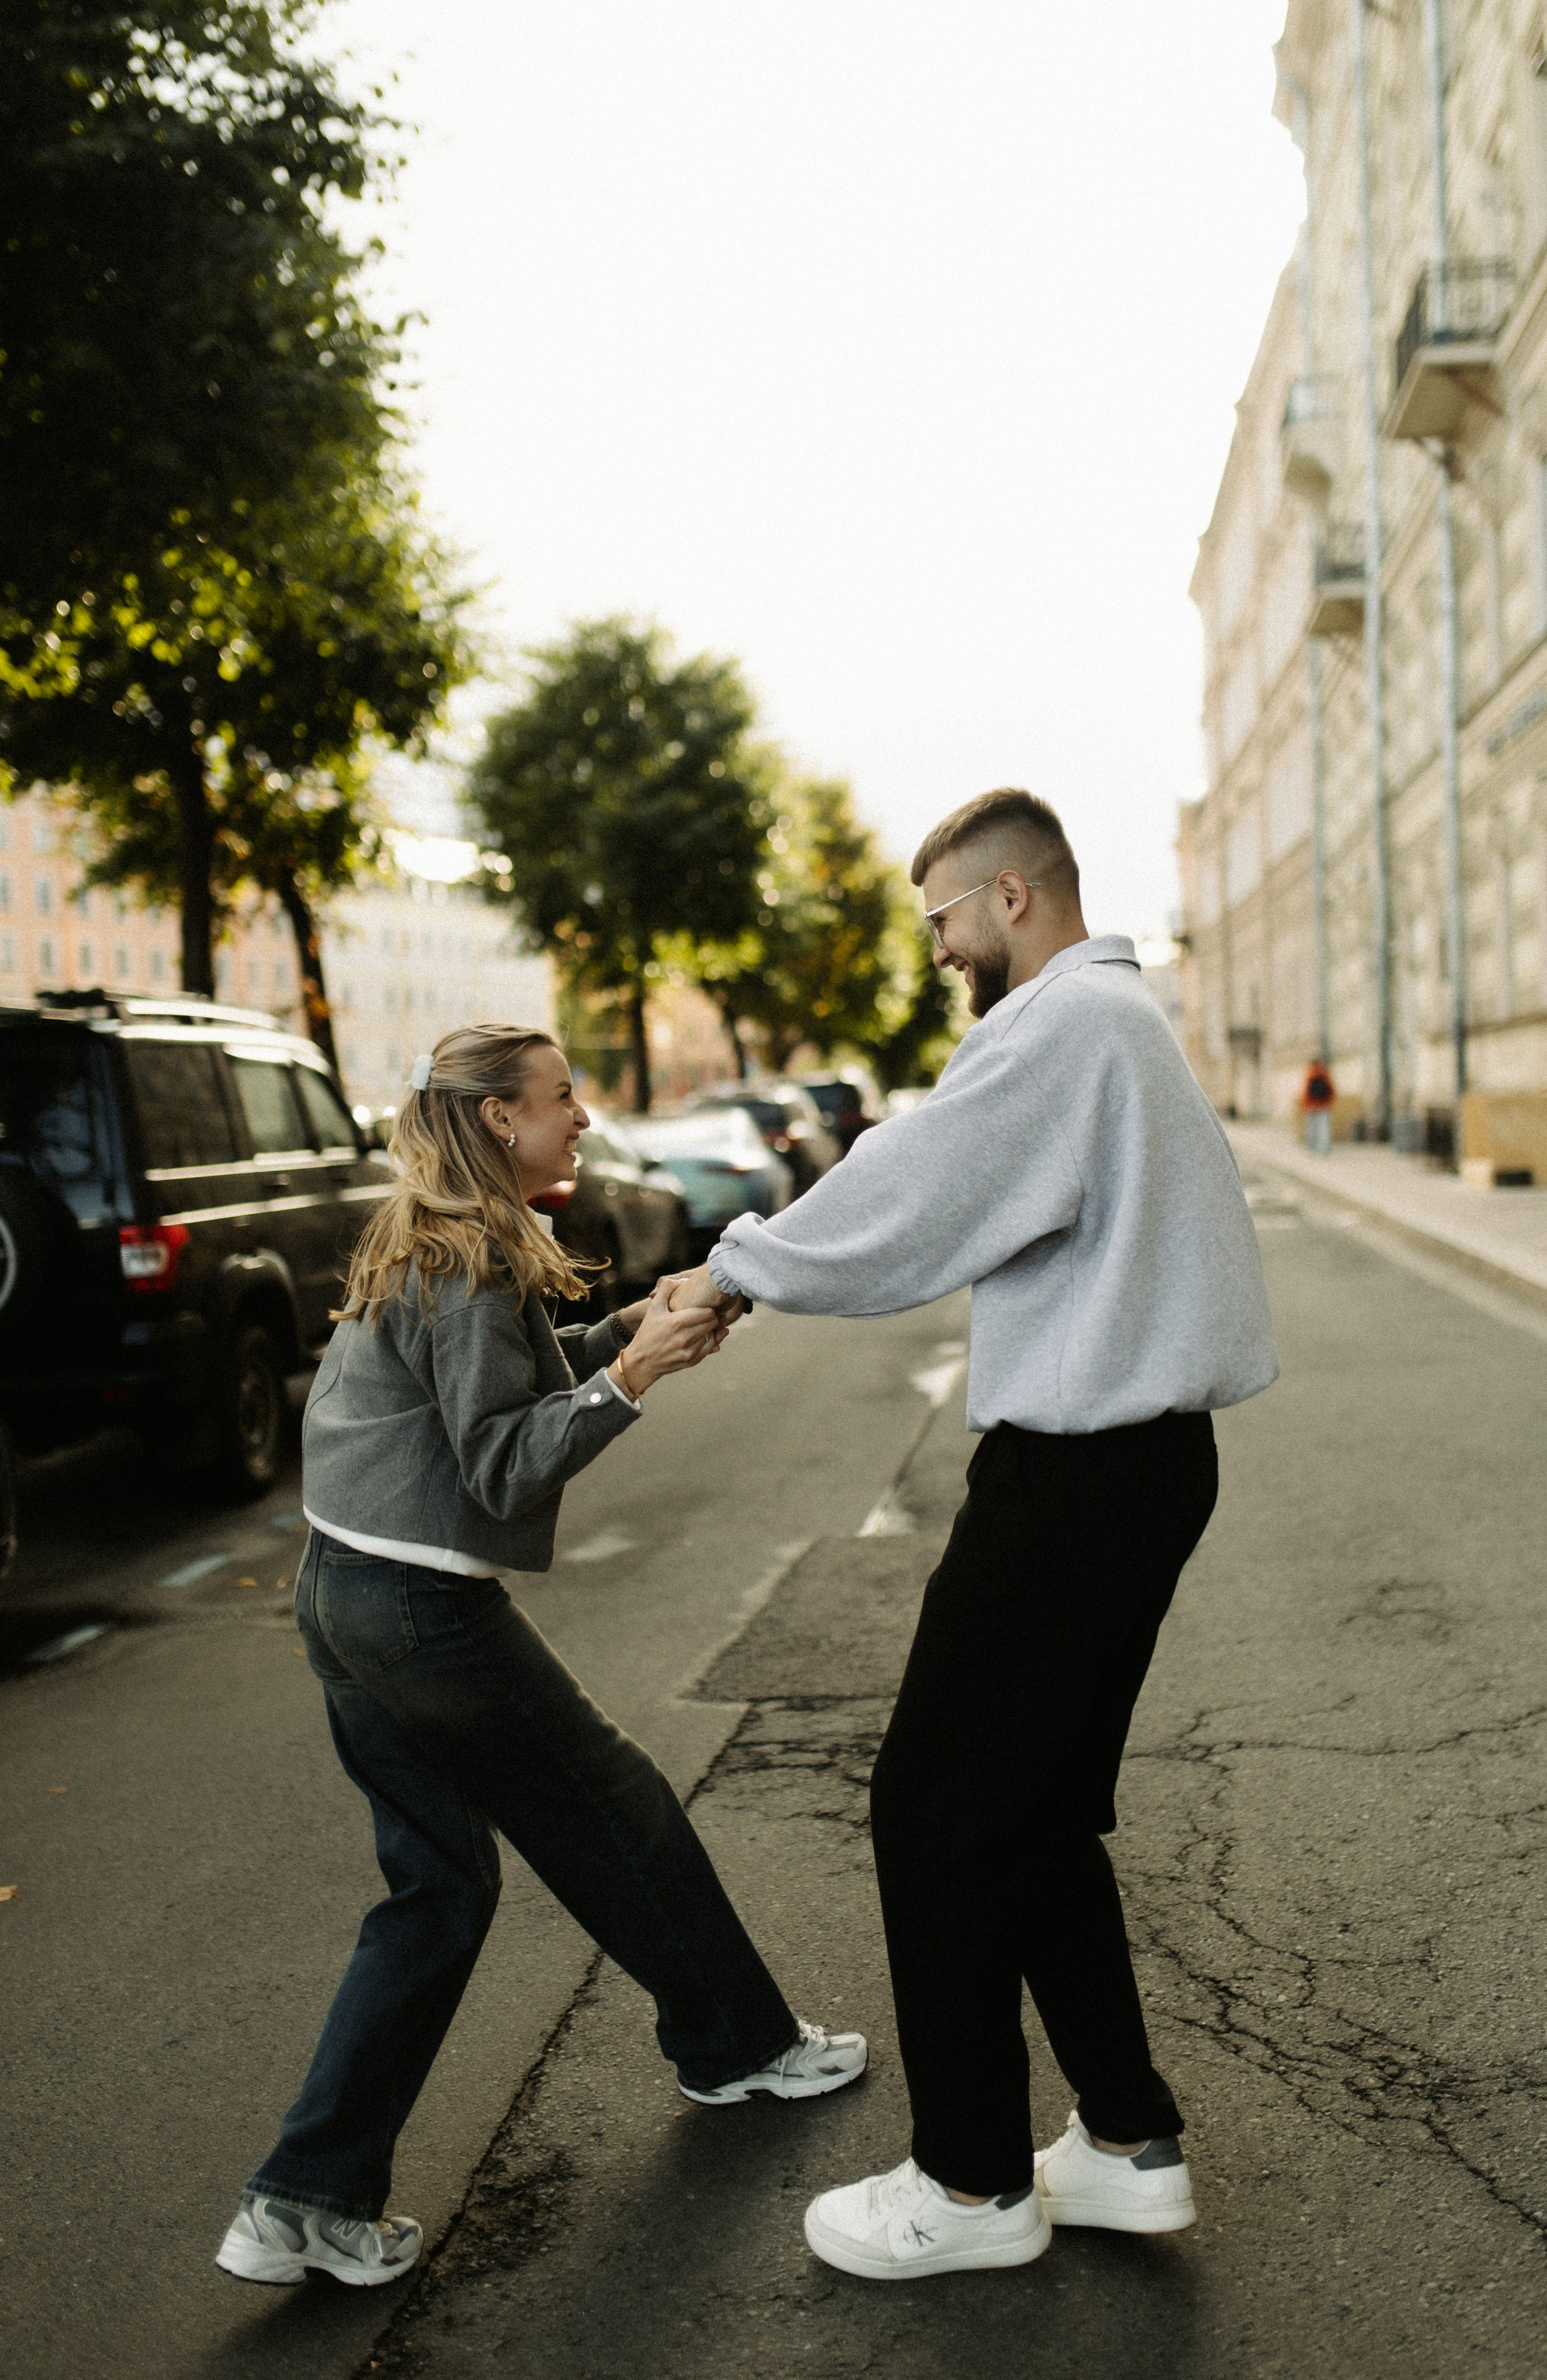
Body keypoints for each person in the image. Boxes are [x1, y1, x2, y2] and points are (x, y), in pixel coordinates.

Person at [672, 788, 1277, 2281]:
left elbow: (917, 1186)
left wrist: (733, 1267)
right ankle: (1126, 2142)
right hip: (1139, 1465)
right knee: (1028, 1816)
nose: (937, 949)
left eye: (942, 917)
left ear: (1011, 897)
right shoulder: (1116, 1024)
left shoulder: (1060, 1027)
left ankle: (968, 2184)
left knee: (934, 1810)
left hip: (1073, 1476)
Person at [216, 1024, 866, 2290]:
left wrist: (626, 1330)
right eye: (563, 1098)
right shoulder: (464, 1261)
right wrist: (629, 1378)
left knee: (438, 1892)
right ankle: (737, 2043)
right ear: (501, 1119)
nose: (582, 1115)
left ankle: (302, 2196)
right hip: (415, 1614)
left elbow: (499, 1394)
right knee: (614, 1808)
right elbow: (500, 1458)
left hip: (339, 1593)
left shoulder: (436, 1233)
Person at [1300, 1056, 1336, 1154]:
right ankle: (1325, 1148)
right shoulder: (1324, 1073)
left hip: (1310, 1106)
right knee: (1324, 1128)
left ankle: (1311, 1147)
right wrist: (1329, 1101)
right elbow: (1331, 1089)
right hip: (1323, 1105)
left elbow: (1305, 1092)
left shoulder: (1309, 1074)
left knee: (1311, 1128)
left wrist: (1304, 1105)